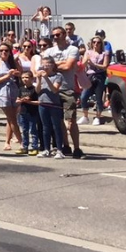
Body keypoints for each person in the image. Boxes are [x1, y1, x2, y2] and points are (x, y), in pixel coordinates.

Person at [43, 26, 85, 158]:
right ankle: (65, 146)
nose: (55, 37)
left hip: (68, 89)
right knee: (58, 120)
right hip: (53, 90)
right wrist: (59, 64)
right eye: (53, 35)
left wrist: (55, 65)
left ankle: (77, 147)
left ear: (64, 35)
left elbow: (68, 66)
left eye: (58, 34)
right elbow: (46, 68)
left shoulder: (73, 49)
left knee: (71, 120)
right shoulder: (49, 50)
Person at [0, 42, 22, 153]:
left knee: (11, 119)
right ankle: (22, 141)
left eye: (6, 50)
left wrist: (17, 73)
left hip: (14, 90)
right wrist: (7, 76)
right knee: (12, 118)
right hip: (3, 91)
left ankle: (7, 142)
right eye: (1, 51)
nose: (4, 52)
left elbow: (22, 74)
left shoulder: (13, 62)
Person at [37, 57, 67, 159]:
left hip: (54, 104)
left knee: (56, 127)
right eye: (43, 65)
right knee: (45, 127)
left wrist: (46, 78)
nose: (44, 67)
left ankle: (59, 149)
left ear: (52, 65)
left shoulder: (58, 76)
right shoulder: (41, 75)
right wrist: (39, 79)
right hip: (42, 103)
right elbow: (37, 91)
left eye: (47, 65)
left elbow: (54, 90)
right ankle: (46, 149)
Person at [80, 36, 109, 125]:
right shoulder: (88, 52)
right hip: (89, 76)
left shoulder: (105, 53)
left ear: (101, 44)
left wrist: (94, 64)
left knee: (98, 98)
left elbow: (105, 66)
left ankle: (98, 117)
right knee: (83, 97)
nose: (96, 44)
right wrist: (84, 61)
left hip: (99, 76)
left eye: (98, 42)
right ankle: (85, 116)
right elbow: (83, 65)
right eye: (94, 42)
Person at [17, 71, 41, 156]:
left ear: (31, 79)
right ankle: (24, 147)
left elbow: (39, 102)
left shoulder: (35, 89)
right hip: (23, 112)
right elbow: (17, 100)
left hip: (32, 113)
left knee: (33, 130)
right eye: (23, 77)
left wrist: (29, 101)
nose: (24, 79)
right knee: (24, 130)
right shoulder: (21, 89)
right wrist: (20, 100)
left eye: (26, 77)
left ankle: (34, 147)